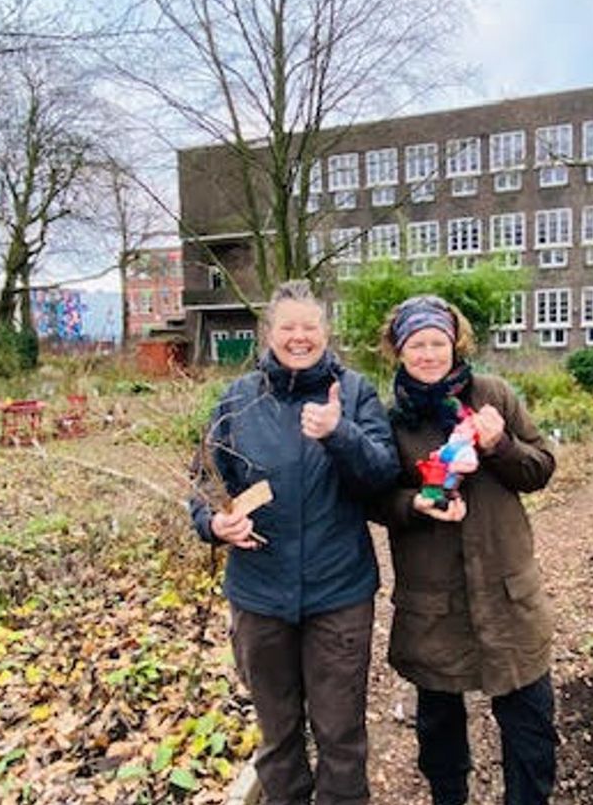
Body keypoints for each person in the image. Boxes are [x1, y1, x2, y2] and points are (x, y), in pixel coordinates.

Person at [190, 280, 399, 805]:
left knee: (340, 736)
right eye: (288, 327)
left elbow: (383, 477)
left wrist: (339, 432)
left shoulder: (353, 394)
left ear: (326, 333)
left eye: (310, 327)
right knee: (278, 735)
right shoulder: (237, 400)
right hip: (260, 595)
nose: (299, 337)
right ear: (269, 333)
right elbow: (202, 485)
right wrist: (214, 523)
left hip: (339, 593)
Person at [374, 294, 558, 805]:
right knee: (439, 727)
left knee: (530, 721)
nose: (428, 354)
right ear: (398, 350)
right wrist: (418, 503)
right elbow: (374, 499)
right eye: (416, 345)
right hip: (433, 596)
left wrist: (501, 446)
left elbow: (540, 470)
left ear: (455, 344)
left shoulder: (493, 395)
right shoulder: (393, 422)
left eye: (438, 342)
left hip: (506, 588)